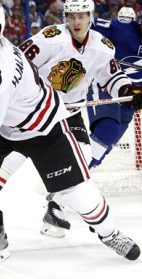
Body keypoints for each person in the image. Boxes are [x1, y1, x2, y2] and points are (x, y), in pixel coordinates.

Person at [0, 0, 140, 271]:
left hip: (44, 125)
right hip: (5, 120)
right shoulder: (47, 38)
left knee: (78, 190)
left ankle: (109, 233)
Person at [0, 0, 142, 240]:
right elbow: (16, 60)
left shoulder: (102, 47)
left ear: (90, 17)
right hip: (34, 109)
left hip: (68, 112)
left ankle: (57, 206)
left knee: (84, 154)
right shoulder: (50, 38)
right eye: (71, 16)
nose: (76, 22)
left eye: (81, 16)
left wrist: (127, 93)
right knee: (15, 158)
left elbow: (112, 76)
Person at [87, 6, 142, 168]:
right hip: (107, 85)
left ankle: (81, 175)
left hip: (131, 99)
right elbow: (86, 22)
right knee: (107, 130)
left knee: (105, 147)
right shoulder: (122, 28)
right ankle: (70, 181)